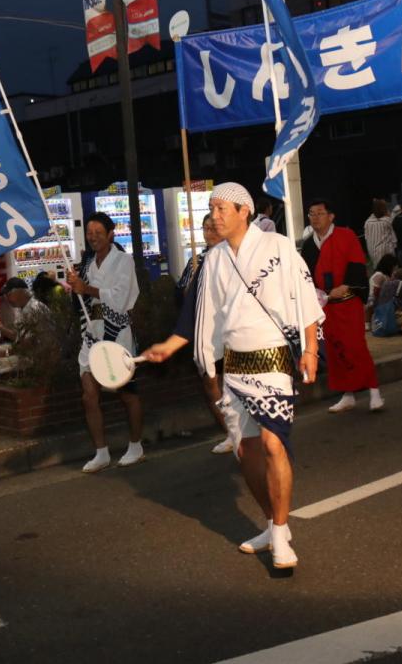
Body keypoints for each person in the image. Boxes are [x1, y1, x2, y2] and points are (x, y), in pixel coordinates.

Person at [194, 183, 323, 569]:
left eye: (221, 209)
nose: (215, 216)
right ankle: (272, 523)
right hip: (235, 363)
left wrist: (311, 348)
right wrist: (209, 366)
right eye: (212, 208)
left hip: (272, 357)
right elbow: (210, 317)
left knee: (272, 444)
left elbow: (305, 295)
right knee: (246, 451)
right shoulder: (214, 259)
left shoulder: (278, 246)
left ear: (244, 211)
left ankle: (282, 534)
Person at [141, 215, 231, 454]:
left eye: (214, 227)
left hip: (227, 335)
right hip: (203, 336)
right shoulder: (197, 260)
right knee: (211, 384)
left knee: (231, 384)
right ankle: (231, 431)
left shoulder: (230, 257)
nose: (209, 232)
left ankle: (244, 432)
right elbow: (183, 297)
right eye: (205, 228)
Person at [66, 213, 143, 473]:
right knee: (89, 395)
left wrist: (86, 289)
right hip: (91, 333)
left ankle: (136, 445)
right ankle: (101, 452)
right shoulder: (88, 264)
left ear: (111, 233)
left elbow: (120, 299)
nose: (93, 237)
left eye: (99, 232)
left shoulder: (124, 261)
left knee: (127, 394)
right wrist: (75, 286)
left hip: (116, 333)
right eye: (89, 232)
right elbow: (83, 300)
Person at [299, 200, 383, 414]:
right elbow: (305, 275)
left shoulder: (346, 236)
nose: (315, 217)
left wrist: (345, 286)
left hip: (348, 301)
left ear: (331, 216)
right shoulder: (309, 245)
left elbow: (357, 266)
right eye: (311, 214)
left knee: (356, 346)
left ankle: (374, 391)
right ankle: (347, 394)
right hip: (326, 305)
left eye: (320, 213)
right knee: (335, 351)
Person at [0, 277, 52, 344]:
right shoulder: (22, 309)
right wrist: (2, 328)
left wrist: (7, 352)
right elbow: (20, 336)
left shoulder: (35, 309)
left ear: (20, 291)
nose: (7, 299)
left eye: (8, 295)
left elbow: (28, 341)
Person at [365, 254, 397, 328]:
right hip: (373, 299)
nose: (394, 268)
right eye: (394, 266)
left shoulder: (387, 276)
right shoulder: (379, 275)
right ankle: (367, 322)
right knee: (371, 302)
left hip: (382, 298)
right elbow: (375, 291)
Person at [363, 199, 396, 267]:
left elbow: (366, 238)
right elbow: (394, 239)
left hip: (373, 252)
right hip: (386, 253)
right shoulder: (387, 221)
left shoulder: (367, 222)